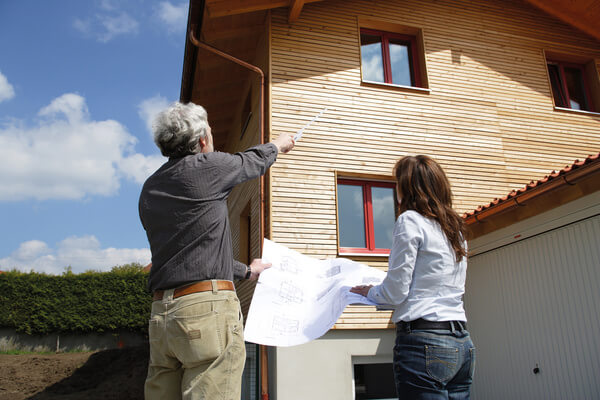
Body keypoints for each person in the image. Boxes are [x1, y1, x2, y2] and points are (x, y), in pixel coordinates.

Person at [139, 101, 294, 400]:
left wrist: (248, 271)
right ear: (201, 140)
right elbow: (250, 162)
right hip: (205, 313)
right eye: (210, 131)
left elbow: (191, 252)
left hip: (162, 315)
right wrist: (279, 144)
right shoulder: (207, 168)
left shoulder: (150, 187)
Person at [351, 155, 475, 399]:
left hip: (424, 341)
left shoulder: (410, 220)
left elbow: (396, 292)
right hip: (462, 342)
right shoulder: (455, 229)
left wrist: (370, 292)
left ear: (406, 187)